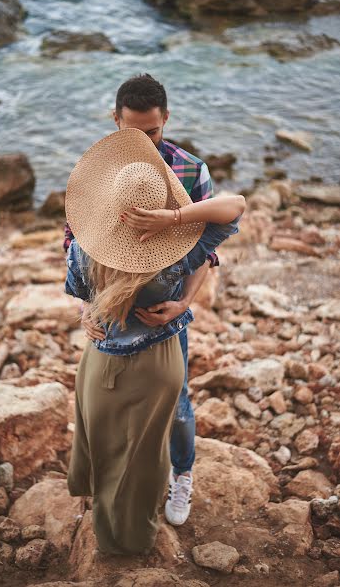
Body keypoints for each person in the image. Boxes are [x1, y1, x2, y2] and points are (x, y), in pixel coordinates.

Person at [64, 127, 245, 555]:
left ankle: (106, 534)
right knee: (147, 460)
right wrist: (176, 220)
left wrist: (87, 311)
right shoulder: (180, 252)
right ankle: (140, 535)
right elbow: (235, 207)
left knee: (107, 448)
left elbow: (78, 293)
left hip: (102, 361)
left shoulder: (83, 251)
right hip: (161, 358)